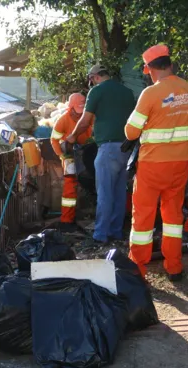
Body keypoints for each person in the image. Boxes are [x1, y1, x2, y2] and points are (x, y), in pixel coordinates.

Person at [124, 44, 188, 282]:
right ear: (170, 65)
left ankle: (138, 270)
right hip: (181, 163)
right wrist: (184, 111)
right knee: (173, 216)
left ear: (149, 69)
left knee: (143, 217)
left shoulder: (150, 94)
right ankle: (174, 267)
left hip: (153, 165)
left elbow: (131, 132)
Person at [67, 64, 136, 244]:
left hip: (108, 148)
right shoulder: (128, 92)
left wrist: (72, 136)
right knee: (120, 191)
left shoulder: (97, 91)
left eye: (90, 79)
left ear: (95, 77)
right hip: (127, 148)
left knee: (105, 192)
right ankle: (116, 232)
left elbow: (84, 121)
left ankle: (100, 235)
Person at [51, 93, 93, 230]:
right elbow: (54, 140)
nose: (79, 114)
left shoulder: (89, 117)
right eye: (77, 110)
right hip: (69, 155)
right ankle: (66, 220)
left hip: (86, 151)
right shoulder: (63, 119)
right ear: (70, 108)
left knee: (93, 182)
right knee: (70, 187)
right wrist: (61, 156)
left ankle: (93, 215)